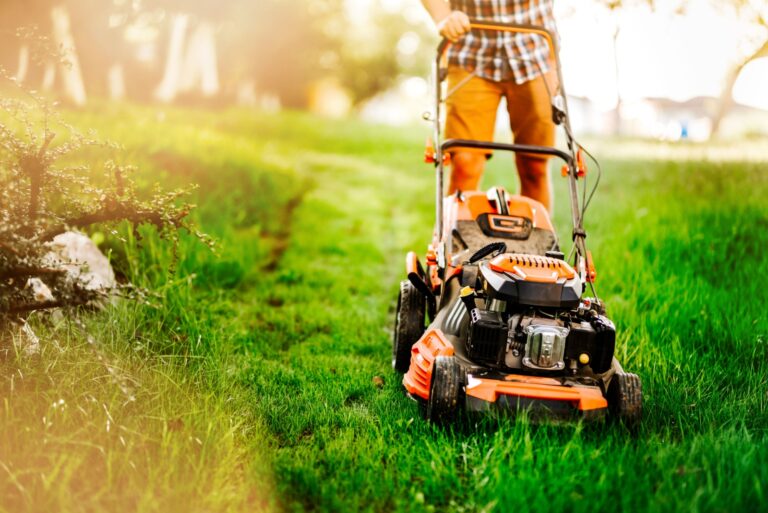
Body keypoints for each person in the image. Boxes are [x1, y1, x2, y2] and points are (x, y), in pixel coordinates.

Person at [419, 0, 559, 211]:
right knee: (465, 162)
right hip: (470, 50)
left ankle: (538, 242)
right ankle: (453, 241)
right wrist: (444, 17)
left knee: (534, 164)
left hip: (534, 50)